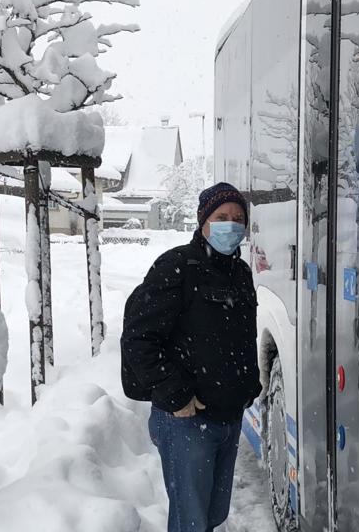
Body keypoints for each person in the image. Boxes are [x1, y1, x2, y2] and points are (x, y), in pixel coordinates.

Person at [121, 182, 262, 532]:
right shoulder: (177, 267)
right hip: (187, 421)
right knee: (191, 522)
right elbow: (139, 340)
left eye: (238, 218)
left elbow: (241, 337)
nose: (231, 224)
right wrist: (176, 395)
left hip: (228, 419)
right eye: (221, 217)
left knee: (213, 516)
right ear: (203, 222)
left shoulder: (241, 274)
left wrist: (249, 385)